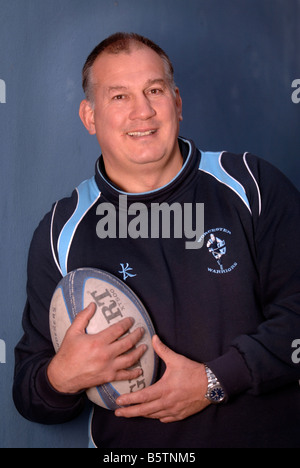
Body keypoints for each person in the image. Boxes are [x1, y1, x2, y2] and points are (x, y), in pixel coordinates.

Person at [13, 32, 300, 448]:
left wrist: (213, 381)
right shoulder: (63, 228)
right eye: (119, 97)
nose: (142, 111)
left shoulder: (250, 184)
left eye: (154, 90)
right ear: (89, 116)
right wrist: (61, 376)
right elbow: (29, 392)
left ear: (177, 102)